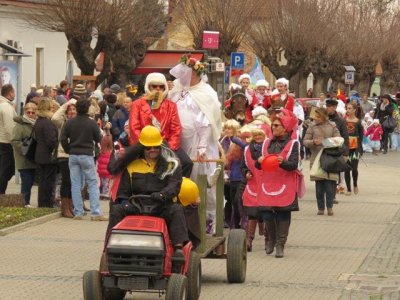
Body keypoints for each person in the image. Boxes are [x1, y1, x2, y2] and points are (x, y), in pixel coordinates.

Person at [107, 126, 189, 256]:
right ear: (142, 148)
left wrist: (163, 195)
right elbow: (123, 193)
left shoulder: (171, 165)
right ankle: (110, 247)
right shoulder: (132, 166)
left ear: (160, 146)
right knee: (116, 209)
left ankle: (178, 249)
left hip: (161, 206)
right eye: (148, 147)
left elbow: (174, 186)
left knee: (177, 209)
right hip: (136, 207)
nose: (152, 150)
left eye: (156, 147)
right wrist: (125, 204)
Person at [169, 54, 222, 234]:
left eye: (186, 72)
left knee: (201, 181)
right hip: (177, 143)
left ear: (195, 73)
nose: (182, 76)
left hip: (198, 143)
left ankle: (208, 220)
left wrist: (202, 146)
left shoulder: (206, 92)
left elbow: (206, 120)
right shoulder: (175, 90)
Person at [129, 72, 193, 177]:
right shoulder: (137, 105)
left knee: (187, 163)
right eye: (154, 86)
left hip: (165, 144)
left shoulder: (171, 106)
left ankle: (178, 189)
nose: (158, 89)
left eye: (161, 86)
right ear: (148, 86)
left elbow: (176, 129)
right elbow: (133, 128)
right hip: (144, 144)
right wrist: (146, 145)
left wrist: (169, 148)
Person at [257, 109, 300, 258]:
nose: (273, 128)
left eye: (276, 125)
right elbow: (258, 165)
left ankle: (281, 244)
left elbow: (294, 165)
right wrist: (259, 162)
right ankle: (271, 240)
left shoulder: (293, 143)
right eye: (272, 125)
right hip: (268, 184)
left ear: (285, 128)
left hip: (285, 184)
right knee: (267, 214)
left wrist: (283, 163)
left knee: (282, 214)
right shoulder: (266, 143)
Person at [60, 99, 107, 221]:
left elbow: (63, 138)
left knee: (75, 184)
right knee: (92, 183)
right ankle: (96, 212)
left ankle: (78, 212)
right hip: (86, 154)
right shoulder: (91, 123)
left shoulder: (70, 122)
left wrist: (68, 149)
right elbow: (98, 138)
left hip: (73, 155)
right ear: (87, 109)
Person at [303, 107, 340, 216]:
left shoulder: (332, 126)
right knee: (319, 186)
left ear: (324, 116)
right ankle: (320, 208)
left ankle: (329, 207)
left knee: (329, 185)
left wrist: (324, 142)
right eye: (315, 116)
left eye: (318, 116)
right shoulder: (311, 127)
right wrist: (314, 142)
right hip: (316, 159)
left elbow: (338, 140)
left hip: (330, 158)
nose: (315, 118)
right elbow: (305, 141)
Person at [241, 124, 268, 252]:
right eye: (256, 135)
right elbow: (243, 165)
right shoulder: (247, 149)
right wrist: (246, 172)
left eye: (260, 135)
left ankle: (268, 240)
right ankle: (249, 239)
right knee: (252, 212)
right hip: (253, 183)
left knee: (267, 212)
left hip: (268, 183)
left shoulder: (269, 148)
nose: (258, 137)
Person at [51, 99, 78, 217]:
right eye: (69, 110)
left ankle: (71, 206)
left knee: (73, 182)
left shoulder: (79, 122)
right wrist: (66, 104)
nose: (71, 112)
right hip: (64, 155)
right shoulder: (63, 123)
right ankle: (64, 208)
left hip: (75, 155)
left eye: (74, 109)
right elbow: (54, 118)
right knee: (66, 181)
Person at [11, 102, 38, 207]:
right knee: (26, 181)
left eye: (33, 112)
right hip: (23, 158)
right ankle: (24, 202)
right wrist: (24, 150)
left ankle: (26, 201)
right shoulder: (20, 125)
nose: (31, 114)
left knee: (30, 182)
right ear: (25, 112)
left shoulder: (36, 124)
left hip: (33, 158)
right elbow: (14, 141)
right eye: (28, 112)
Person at [34, 98, 59, 207]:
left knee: (43, 180)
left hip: (40, 154)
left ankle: (42, 203)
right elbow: (51, 141)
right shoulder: (48, 123)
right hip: (48, 156)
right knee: (49, 181)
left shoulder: (38, 121)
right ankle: (47, 203)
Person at [0, 84, 17, 194]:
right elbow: (10, 127)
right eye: (14, 92)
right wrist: (14, 141)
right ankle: (1, 193)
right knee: (5, 171)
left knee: (3, 170)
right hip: (6, 143)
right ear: (10, 93)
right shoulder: (6, 107)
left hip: (1, 141)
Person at [344, 103, 364, 195]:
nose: (347, 110)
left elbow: (361, 137)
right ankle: (348, 189)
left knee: (354, 168)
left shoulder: (358, 122)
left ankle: (355, 184)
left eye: (349, 108)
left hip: (355, 148)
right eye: (347, 108)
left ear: (354, 110)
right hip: (346, 148)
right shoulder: (344, 121)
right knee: (347, 168)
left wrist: (360, 149)